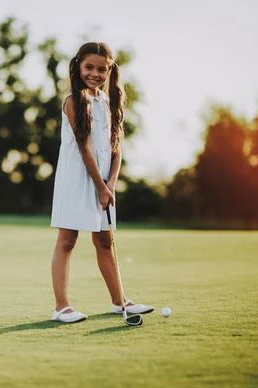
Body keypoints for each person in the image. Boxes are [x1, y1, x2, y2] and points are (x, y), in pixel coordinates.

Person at [49, 42, 154, 323]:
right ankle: (61, 307)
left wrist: (111, 185)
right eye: (89, 67)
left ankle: (120, 301)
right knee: (67, 240)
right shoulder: (73, 101)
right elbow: (84, 148)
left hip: (103, 181)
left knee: (104, 241)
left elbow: (116, 148)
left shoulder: (109, 102)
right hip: (77, 178)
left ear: (110, 71)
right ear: (78, 67)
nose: (95, 73)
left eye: (102, 69)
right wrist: (100, 186)